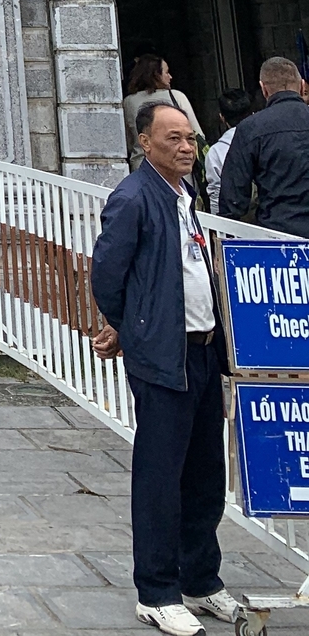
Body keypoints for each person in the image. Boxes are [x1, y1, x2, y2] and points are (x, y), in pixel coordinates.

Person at [91, 99, 239, 633]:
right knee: (160, 476)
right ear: (144, 142)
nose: (185, 147)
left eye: (190, 138)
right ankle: (156, 591)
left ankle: (201, 578)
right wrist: (132, 327)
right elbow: (107, 274)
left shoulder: (185, 194)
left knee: (205, 473)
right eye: (172, 137)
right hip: (162, 357)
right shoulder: (133, 197)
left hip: (201, 351)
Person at [219, 56, 309, 236]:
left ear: (264, 89)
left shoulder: (250, 128)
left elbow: (233, 199)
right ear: (301, 86)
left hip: (277, 235)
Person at [123, 55, 203, 169]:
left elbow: (128, 142)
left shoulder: (128, 102)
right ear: (156, 75)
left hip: (142, 164)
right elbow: (197, 134)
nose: (170, 77)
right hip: (177, 164)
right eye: (167, 72)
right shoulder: (177, 96)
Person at [204, 88, 255, 216]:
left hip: (237, 220)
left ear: (222, 117)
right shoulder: (266, 141)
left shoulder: (215, 152)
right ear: (253, 114)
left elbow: (216, 194)